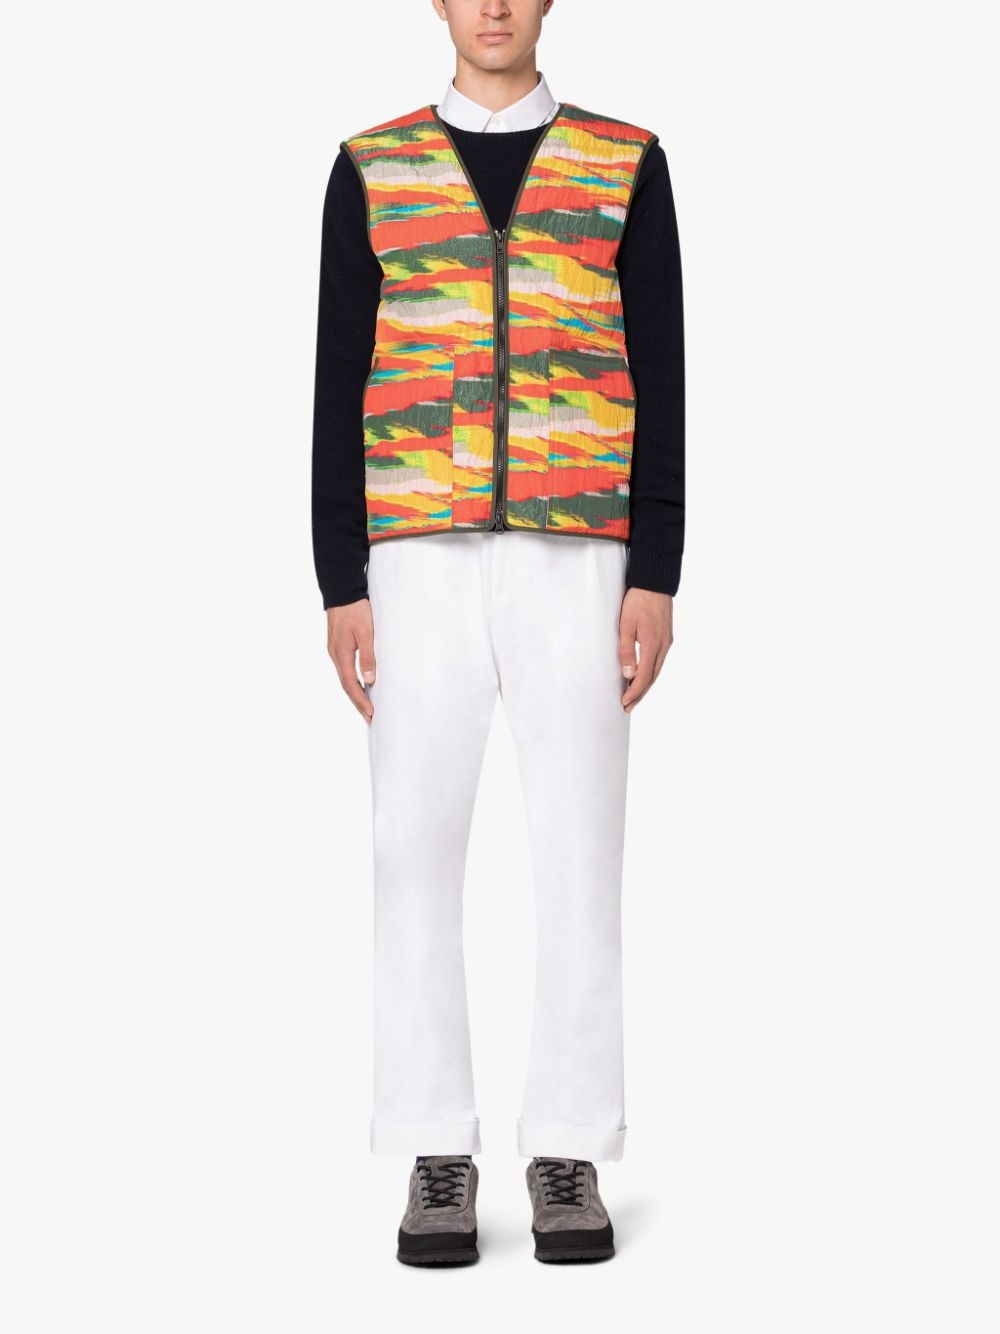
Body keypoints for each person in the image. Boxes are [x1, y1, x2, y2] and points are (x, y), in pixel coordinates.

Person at [311, 0, 684, 1266]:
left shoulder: (624, 163)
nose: (493, 5)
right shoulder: (371, 167)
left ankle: (568, 1141)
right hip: (412, 549)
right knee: (410, 846)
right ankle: (434, 1143)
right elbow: (338, 375)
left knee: (579, 844)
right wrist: (339, 577)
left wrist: (655, 568)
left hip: (580, 549)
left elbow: (662, 369)